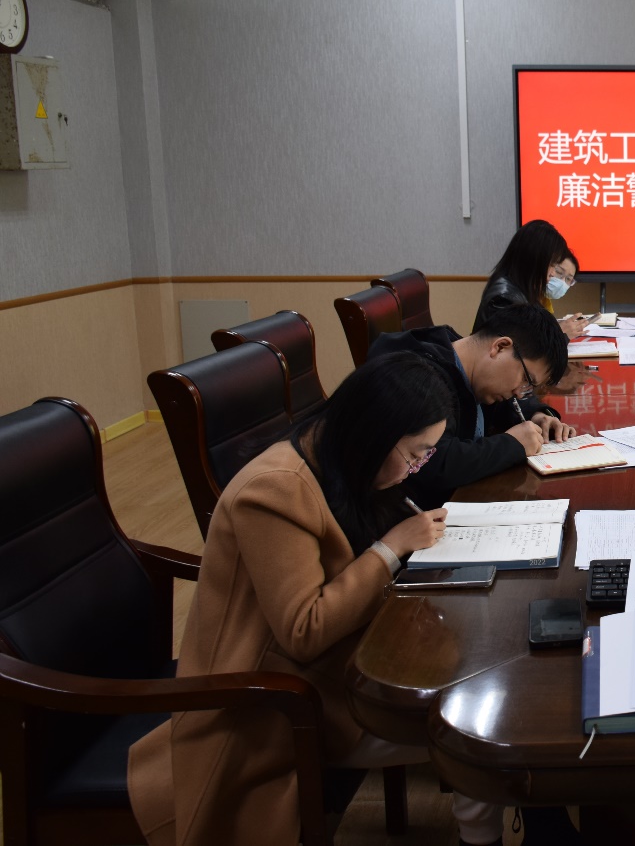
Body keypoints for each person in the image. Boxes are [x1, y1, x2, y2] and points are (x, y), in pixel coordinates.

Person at [127, 352, 506, 846]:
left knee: (476, 680)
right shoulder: (275, 492)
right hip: (273, 706)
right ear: (374, 434)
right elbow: (304, 631)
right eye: (416, 454)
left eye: (427, 456)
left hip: (334, 670)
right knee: (478, 734)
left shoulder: (337, 459)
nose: (417, 469)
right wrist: (391, 547)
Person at [368, 303, 572, 509]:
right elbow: (435, 464)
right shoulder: (420, 378)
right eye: (526, 379)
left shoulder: (465, 361)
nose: (520, 392)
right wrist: (512, 445)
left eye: (529, 387)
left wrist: (536, 413)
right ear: (500, 347)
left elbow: (506, 404)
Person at [474, 219, 589, 339]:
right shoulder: (504, 299)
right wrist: (561, 335)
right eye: (552, 265)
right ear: (534, 260)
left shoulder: (523, 291)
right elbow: (520, 347)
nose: (552, 273)